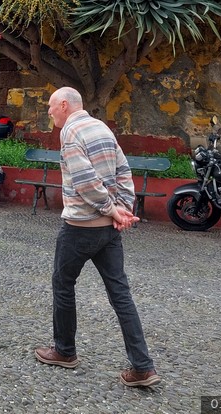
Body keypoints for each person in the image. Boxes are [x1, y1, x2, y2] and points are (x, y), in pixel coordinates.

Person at [34, 86, 160, 388]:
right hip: (109, 231)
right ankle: (143, 367)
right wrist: (122, 209)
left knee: (63, 284)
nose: (49, 112)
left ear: (64, 105)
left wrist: (111, 209)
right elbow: (123, 169)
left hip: (80, 227)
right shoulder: (101, 126)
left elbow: (84, 180)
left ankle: (64, 351)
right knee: (120, 293)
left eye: (51, 106)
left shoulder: (71, 132)